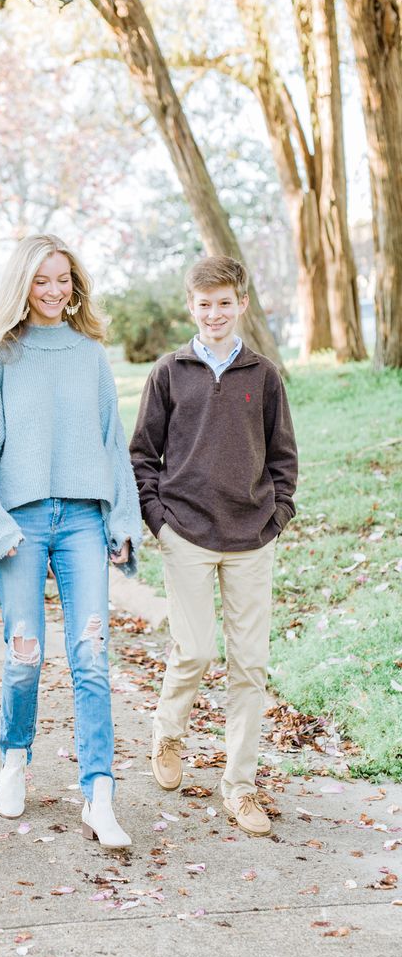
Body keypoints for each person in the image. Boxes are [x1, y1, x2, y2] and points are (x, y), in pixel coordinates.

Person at [0, 234, 142, 849]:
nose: (55, 290)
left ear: (76, 284)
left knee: (91, 654)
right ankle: (14, 758)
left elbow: (114, 442)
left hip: (84, 521)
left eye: (63, 279)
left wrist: (120, 521)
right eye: (42, 280)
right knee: (25, 654)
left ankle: (99, 793)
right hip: (21, 526)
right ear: (22, 287)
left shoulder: (90, 355)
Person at [130, 256, 297, 837]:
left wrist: (276, 518)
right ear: (191, 307)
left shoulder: (263, 375)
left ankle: (240, 785)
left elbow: (283, 458)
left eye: (225, 302)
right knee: (196, 650)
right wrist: (161, 522)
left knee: (249, 664)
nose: (215, 313)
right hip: (188, 535)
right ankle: (167, 731)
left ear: (241, 304)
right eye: (204, 304)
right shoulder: (169, 372)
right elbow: (142, 455)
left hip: (252, 537)